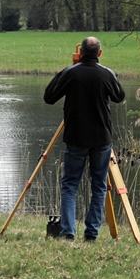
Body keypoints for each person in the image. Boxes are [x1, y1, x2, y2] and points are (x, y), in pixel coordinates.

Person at [43, 36, 126, 242]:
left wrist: (64, 72)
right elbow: (119, 96)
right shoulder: (107, 74)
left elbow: (49, 97)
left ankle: (68, 232)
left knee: (70, 185)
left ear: (80, 54)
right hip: (101, 138)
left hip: (76, 137)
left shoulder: (71, 73)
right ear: (99, 53)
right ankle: (91, 234)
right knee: (99, 186)